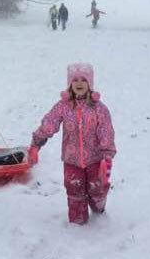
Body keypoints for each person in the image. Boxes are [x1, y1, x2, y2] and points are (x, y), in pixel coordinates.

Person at [28, 63, 116, 224]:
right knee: (74, 189)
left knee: (97, 189)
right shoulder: (63, 106)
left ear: (90, 83)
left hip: (96, 160)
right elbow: (50, 123)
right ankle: (78, 224)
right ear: (70, 83)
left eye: (84, 80)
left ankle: (99, 209)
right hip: (72, 159)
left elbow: (106, 131)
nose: (79, 83)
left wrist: (107, 156)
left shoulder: (99, 108)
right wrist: (36, 144)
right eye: (75, 80)